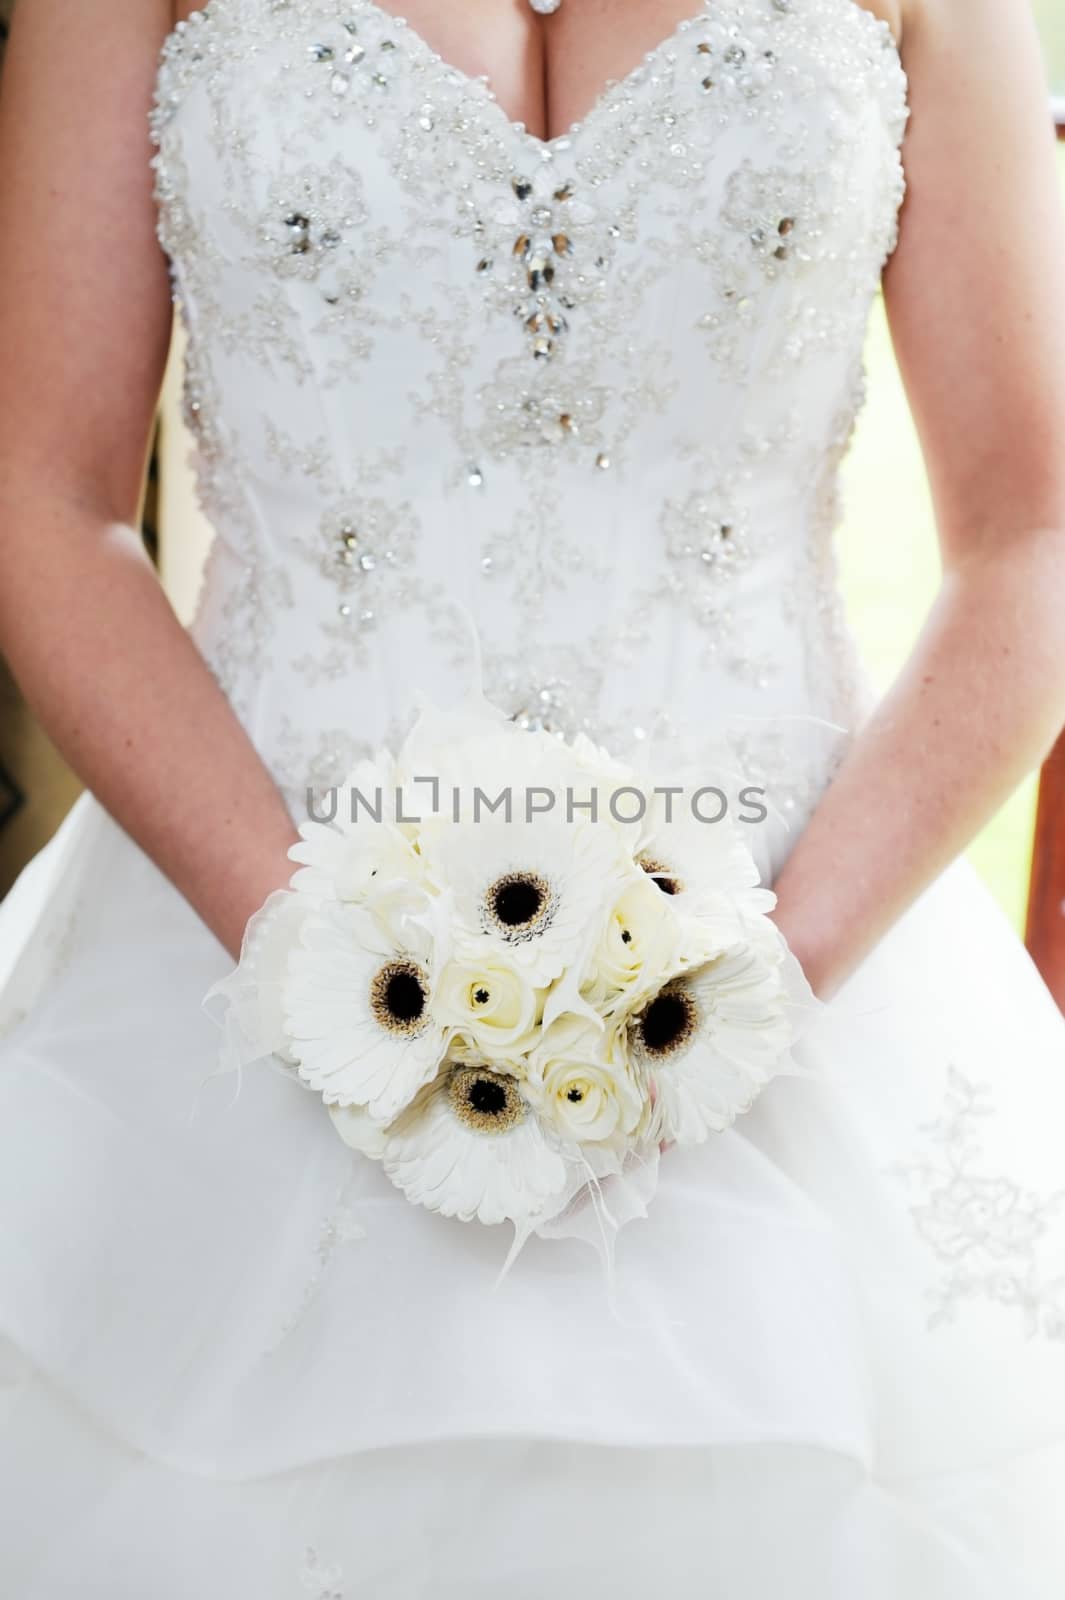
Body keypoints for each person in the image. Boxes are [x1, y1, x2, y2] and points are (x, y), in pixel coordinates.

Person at [1, 0, 1065, 1593]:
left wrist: (750, 985)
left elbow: (1033, 531)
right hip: (224, 943)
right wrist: (325, 961)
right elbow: (42, 492)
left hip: (800, 962)